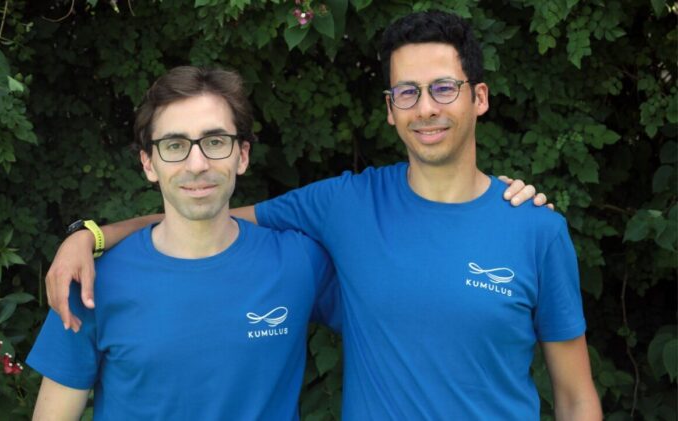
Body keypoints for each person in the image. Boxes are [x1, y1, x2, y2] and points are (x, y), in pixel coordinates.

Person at [44, 11, 601, 420]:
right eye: (407, 92)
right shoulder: (344, 205)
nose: (426, 107)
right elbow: (206, 209)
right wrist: (89, 236)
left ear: (478, 97)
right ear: (390, 109)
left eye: (443, 88)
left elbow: (576, 399)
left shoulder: (536, 228)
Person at [27, 66, 340, 420]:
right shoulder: (90, 282)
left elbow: (388, 328)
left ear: (242, 155)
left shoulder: (299, 262)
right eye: (175, 145)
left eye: (215, 142)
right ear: (148, 163)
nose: (197, 164)